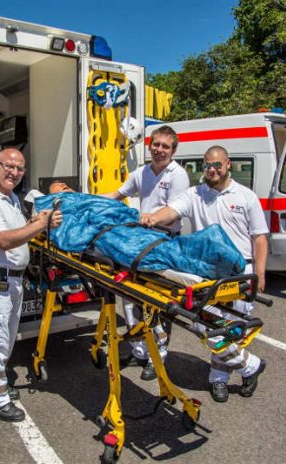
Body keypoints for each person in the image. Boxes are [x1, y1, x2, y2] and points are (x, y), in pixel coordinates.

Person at [142, 145, 268, 402]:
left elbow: (259, 238)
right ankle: (251, 366)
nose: (211, 170)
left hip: (242, 271)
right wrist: (153, 219)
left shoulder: (245, 196)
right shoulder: (195, 194)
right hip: (208, 272)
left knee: (233, 328)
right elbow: (172, 211)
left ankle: (219, 379)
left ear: (228, 164)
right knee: (207, 323)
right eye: (207, 165)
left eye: (216, 165)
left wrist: (261, 272)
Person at [0, 148, 62, 422]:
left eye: (19, 168)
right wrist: (40, 224)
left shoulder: (10, 199)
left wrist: (36, 222)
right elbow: (4, 240)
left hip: (11, 281)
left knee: (5, 340)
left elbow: (20, 232)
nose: (14, 172)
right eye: (9, 166)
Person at [103, 125, 190, 381]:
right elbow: (117, 194)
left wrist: (149, 219)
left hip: (163, 243)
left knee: (156, 302)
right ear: (149, 145)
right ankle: (139, 350)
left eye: (165, 146)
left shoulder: (178, 175)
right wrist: (88, 201)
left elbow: (174, 211)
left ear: (173, 150)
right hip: (141, 242)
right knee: (130, 297)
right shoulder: (142, 172)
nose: (159, 150)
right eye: (156, 144)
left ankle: (157, 357)